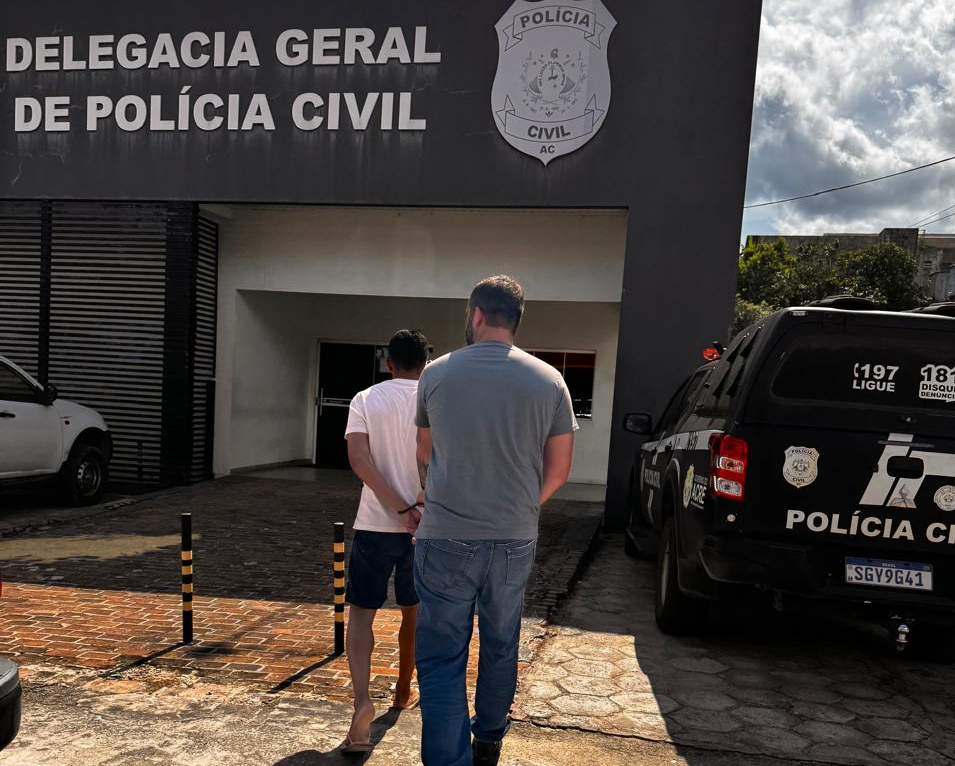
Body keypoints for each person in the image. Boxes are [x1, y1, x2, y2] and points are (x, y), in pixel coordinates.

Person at [411, 276, 577, 766]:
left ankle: (448, 760)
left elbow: (425, 450)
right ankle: (488, 740)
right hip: (513, 538)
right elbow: (559, 470)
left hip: (445, 536)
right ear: (517, 319)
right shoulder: (551, 380)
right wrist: (523, 504)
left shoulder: (436, 373)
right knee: (502, 642)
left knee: (442, 655)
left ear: (477, 314)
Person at [342, 329, 429, 754]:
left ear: (388, 362)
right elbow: (439, 459)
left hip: (376, 524)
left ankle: (362, 704)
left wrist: (397, 507)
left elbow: (359, 460)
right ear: (425, 363)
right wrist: (417, 507)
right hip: (423, 526)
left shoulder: (365, 399)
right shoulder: (434, 399)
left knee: (362, 614)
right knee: (414, 612)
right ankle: (402, 689)